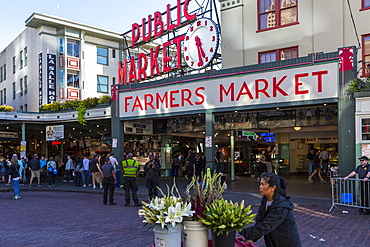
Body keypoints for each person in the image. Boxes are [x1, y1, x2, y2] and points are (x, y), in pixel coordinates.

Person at [239, 172, 302, 247]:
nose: (260, 187)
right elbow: (260, 220)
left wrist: (243, 231)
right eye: (260, 184)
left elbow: (267, 225)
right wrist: (252, 238)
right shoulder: (265, 200)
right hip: (273, 242)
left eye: (263, 184)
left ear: (273, 188)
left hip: (286, 243)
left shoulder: (281, 206)